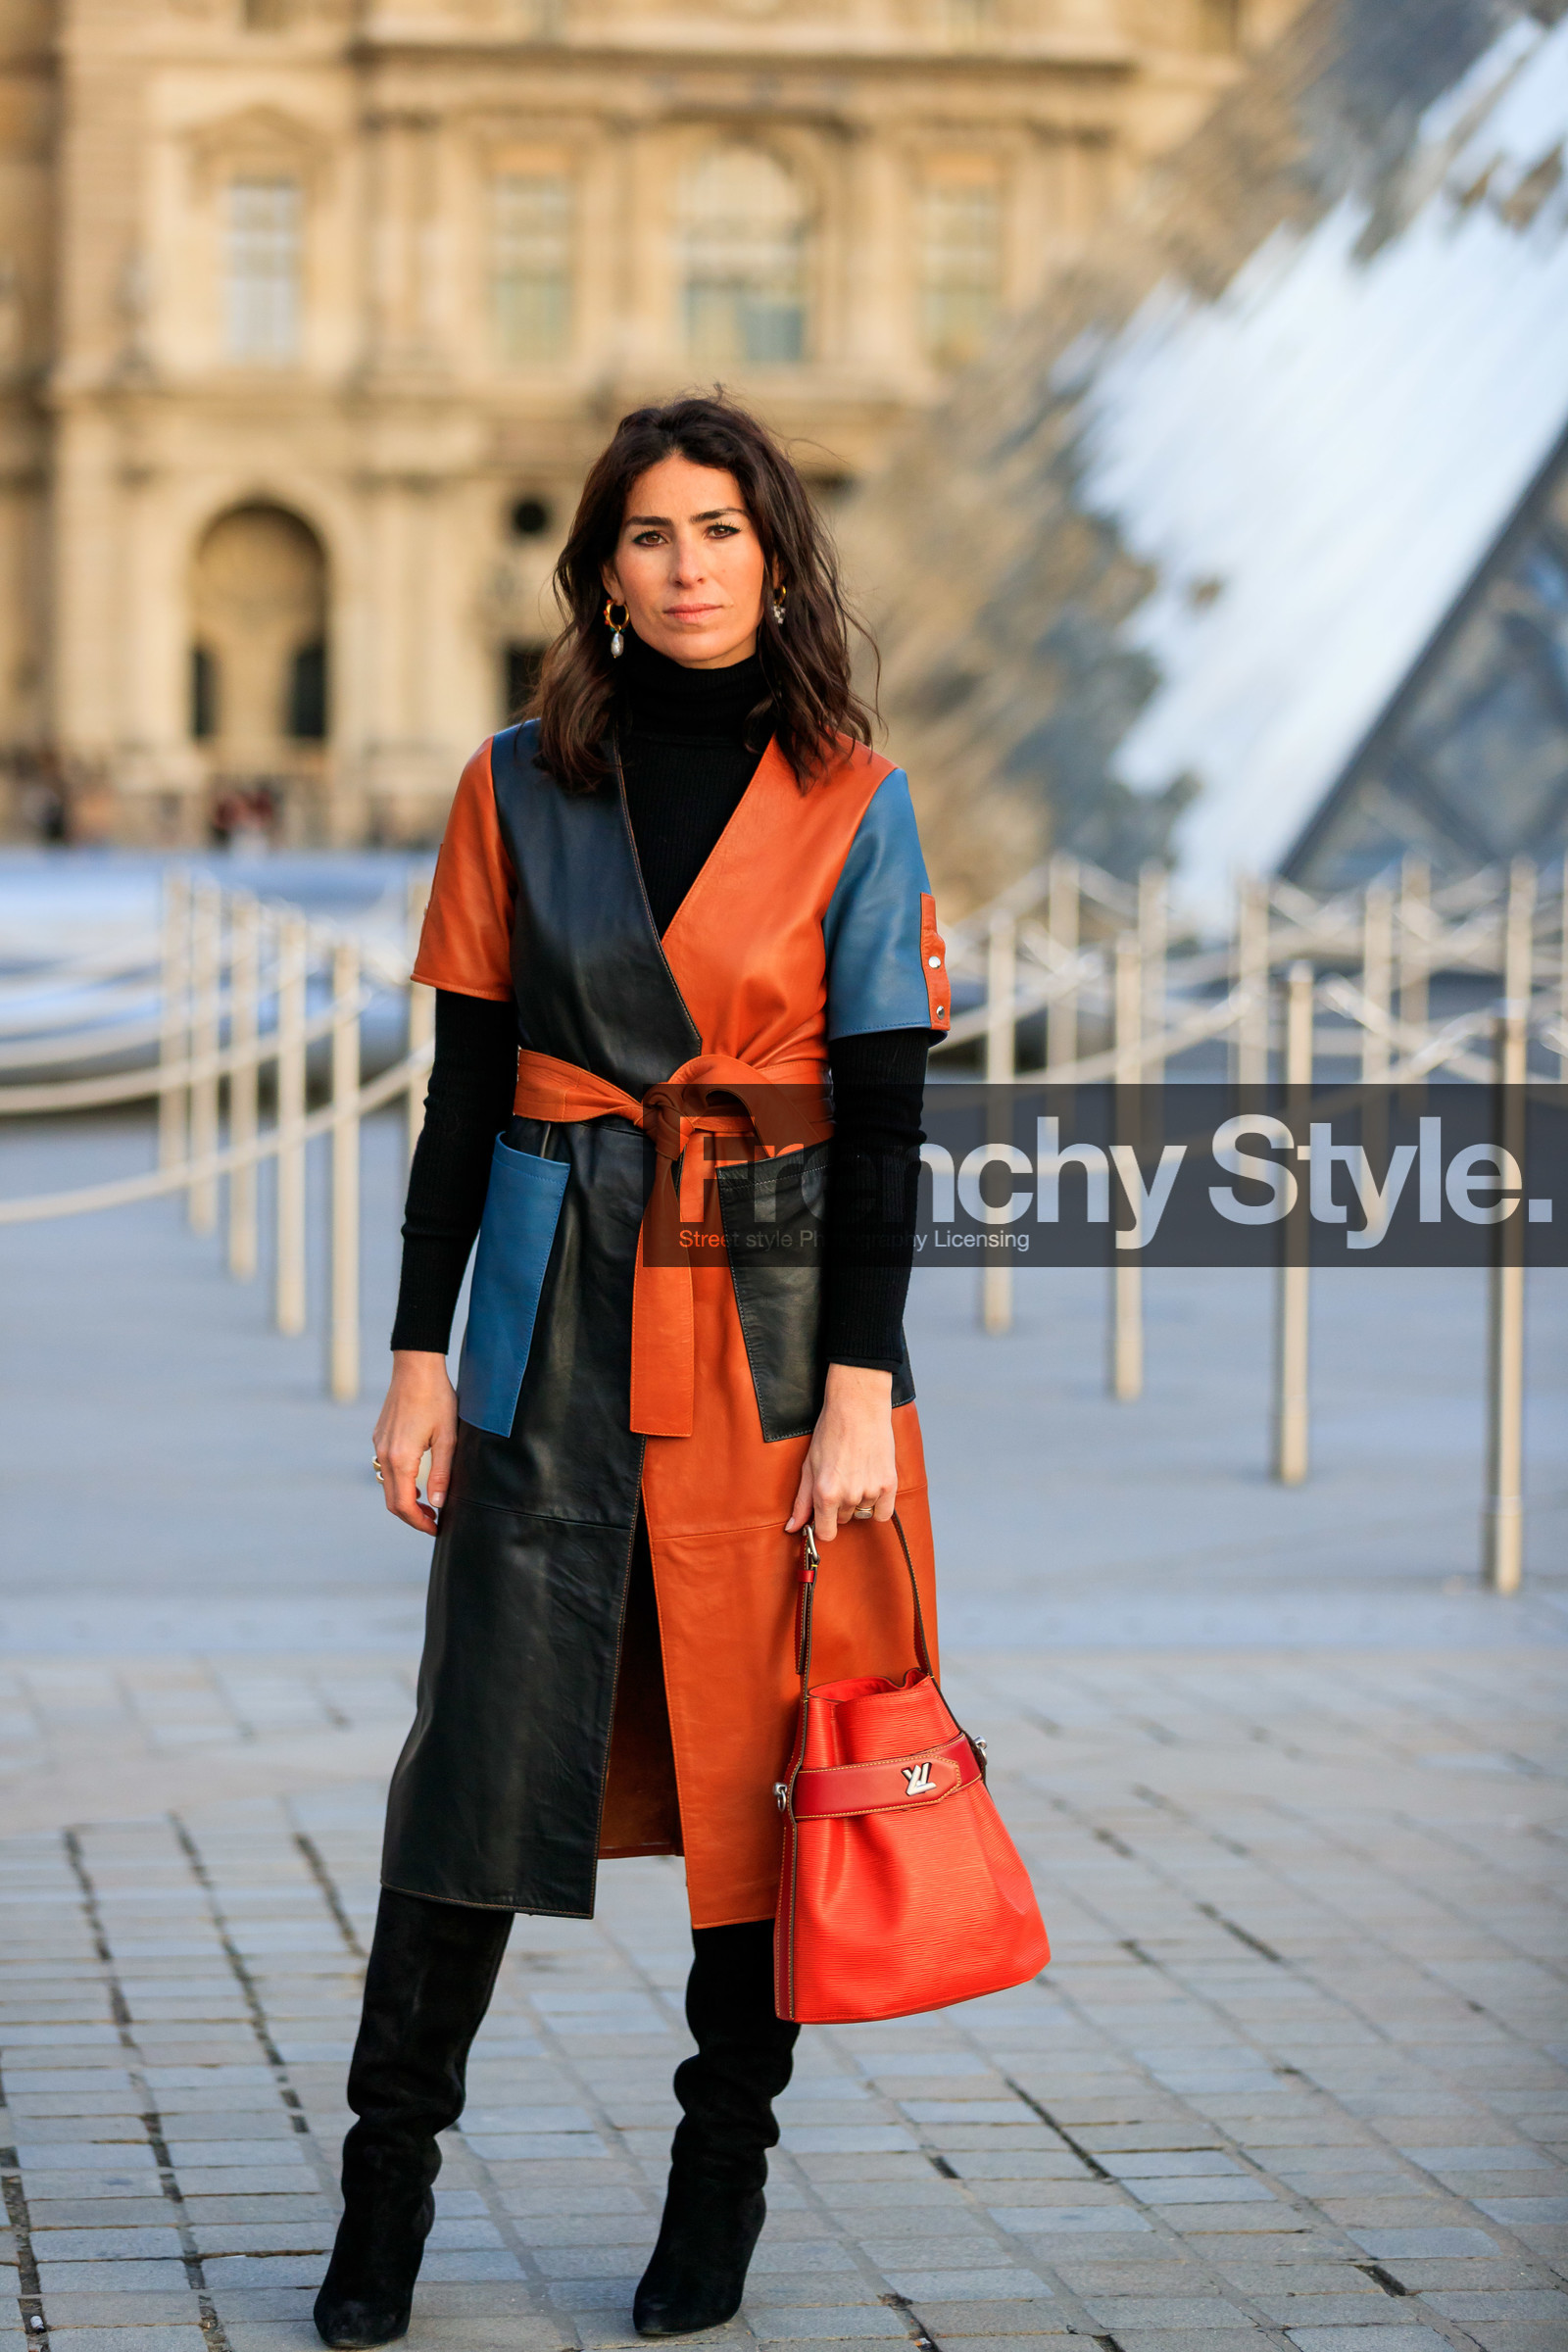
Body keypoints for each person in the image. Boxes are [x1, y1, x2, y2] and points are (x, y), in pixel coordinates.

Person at [315, 394, 951, 2350]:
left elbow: (881, 1124)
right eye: (651, 536)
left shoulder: (852, 791)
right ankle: (383, 2195)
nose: (689, 566)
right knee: (479, 1758)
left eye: (723, 530)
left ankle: (717, 2185)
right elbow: (464, 1098)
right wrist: (416, 1357)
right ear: (597, 571)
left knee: (762, 1778)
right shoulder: (511, 784)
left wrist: (862, 1388)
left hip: (767, 1336)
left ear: (778, 555)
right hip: (549, 1312)